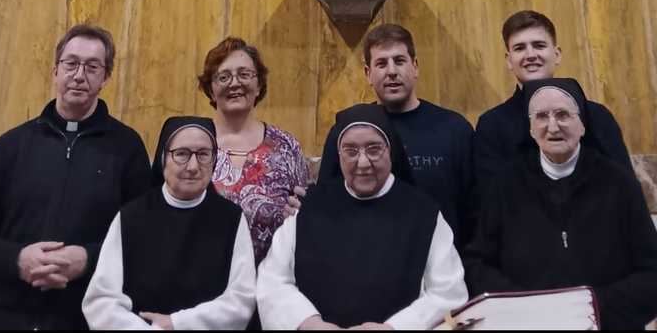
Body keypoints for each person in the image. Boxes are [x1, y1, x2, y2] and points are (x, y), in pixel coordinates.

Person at [0, 24, 151, 330]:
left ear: (106, 76)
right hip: (3, 317)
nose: (79, 75)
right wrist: (17, 259)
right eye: (71, 63)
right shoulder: (12, 145)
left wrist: (87, 260)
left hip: (83, 320)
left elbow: (143, 241)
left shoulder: (127, 148)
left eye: (92, 66)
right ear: (55, 70)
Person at [465, 78, 657, 330]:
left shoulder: (618, 183)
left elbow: (651, 271)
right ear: (531, 128)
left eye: (563, 115)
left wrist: (592, 306)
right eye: (542, 116)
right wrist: (528, 306)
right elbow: (478, 264)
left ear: (583, 124)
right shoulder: (505, 185)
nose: (553, 126)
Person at [257, 104, 467, 330]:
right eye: (351, 151)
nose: (363, 162)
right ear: (339, 156)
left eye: (374, 149)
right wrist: (309, 323)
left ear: (390, 151)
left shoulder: (424, 213)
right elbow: (273, 281)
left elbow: (448, 294)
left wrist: (393, 328)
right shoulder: (310, 209)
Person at [307, 24, 474, 250]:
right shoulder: (348, 133)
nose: (391, 71)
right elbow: (329, 203)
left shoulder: (455, 129)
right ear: (368, 73)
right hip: (369, 258)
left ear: (415, 67)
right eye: (381, 63)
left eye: (400, 60)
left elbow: (474, 210)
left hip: (442, 262)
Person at [82, 116, 256, 330]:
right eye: (182, 154)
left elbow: (241, 300)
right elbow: (101, 300)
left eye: (203, 154)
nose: (193, 166)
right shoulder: (131, 216)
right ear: (164, 158)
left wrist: (178, 324)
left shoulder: (231, 219)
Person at [474, 10, 632, 195]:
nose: (530, 54)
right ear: (509, 60)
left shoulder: (597, 116)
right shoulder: (492, 125)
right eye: (520, 48)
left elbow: (626, 190)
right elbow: (491, 200)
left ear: (556, 54)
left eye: (539, 45)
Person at [197, 37, 309, 265]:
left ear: (259, 85)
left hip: (270, 284)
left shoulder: (286, 146)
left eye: (245, 74)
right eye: (223, 77)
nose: (234, 83)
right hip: (203, 283)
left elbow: (305, 215)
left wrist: (301, 215)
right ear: (210, 89)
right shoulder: (194, 143)